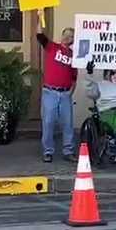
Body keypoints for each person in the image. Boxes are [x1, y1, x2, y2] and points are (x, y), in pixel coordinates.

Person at [36, 9, 77, 163]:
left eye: (71, 36)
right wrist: (40, 17)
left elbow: (74, 76)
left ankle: (68, 151)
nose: (68, 37)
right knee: (48, 122)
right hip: (50, 92)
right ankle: (48, 151)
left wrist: (70, 92)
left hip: (65, 93)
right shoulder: (52, 47)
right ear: (62, 36)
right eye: (66, 34)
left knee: (68, 124)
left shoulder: (73, 55)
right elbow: (39, 35)